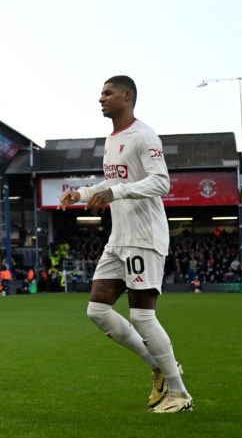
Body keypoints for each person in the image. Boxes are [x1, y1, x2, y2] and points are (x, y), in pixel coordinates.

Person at [59, 75, 192, 413]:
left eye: (108, 93)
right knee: (97, 310)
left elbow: (161, 181)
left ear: (127, 96)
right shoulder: (113, 138)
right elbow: (114, 181)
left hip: (144, 237)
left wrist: (113, 192)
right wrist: (84, 194)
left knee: (143, 316)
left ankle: (180, 395)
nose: (101, 98)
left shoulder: (144, 135)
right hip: (120, 237)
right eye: (101, 93)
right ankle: (160, 367)